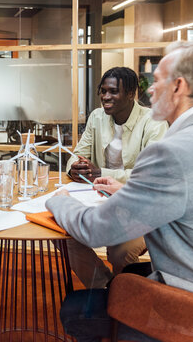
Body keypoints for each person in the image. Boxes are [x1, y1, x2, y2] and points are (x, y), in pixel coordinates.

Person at [47, 41, 193, 342]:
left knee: (75, 309)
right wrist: (122, 190)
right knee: (122, 277)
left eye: (156, 81)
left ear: (178, 86)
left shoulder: (170, 152)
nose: (150, 91)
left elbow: (94, 229)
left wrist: (58, 200)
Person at [64, 67, 168, 289]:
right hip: (96, 200)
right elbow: (77, 154)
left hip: (138, 204)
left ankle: (121, 297)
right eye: (103, 91)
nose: (105, 97)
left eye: (113, 91)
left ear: (131, 94)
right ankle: (107, 290)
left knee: (119, 251)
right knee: (69, 238)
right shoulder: (97, 117)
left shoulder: (154, 122)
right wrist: (74, 168)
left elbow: (150, 176)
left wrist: (102, 173)